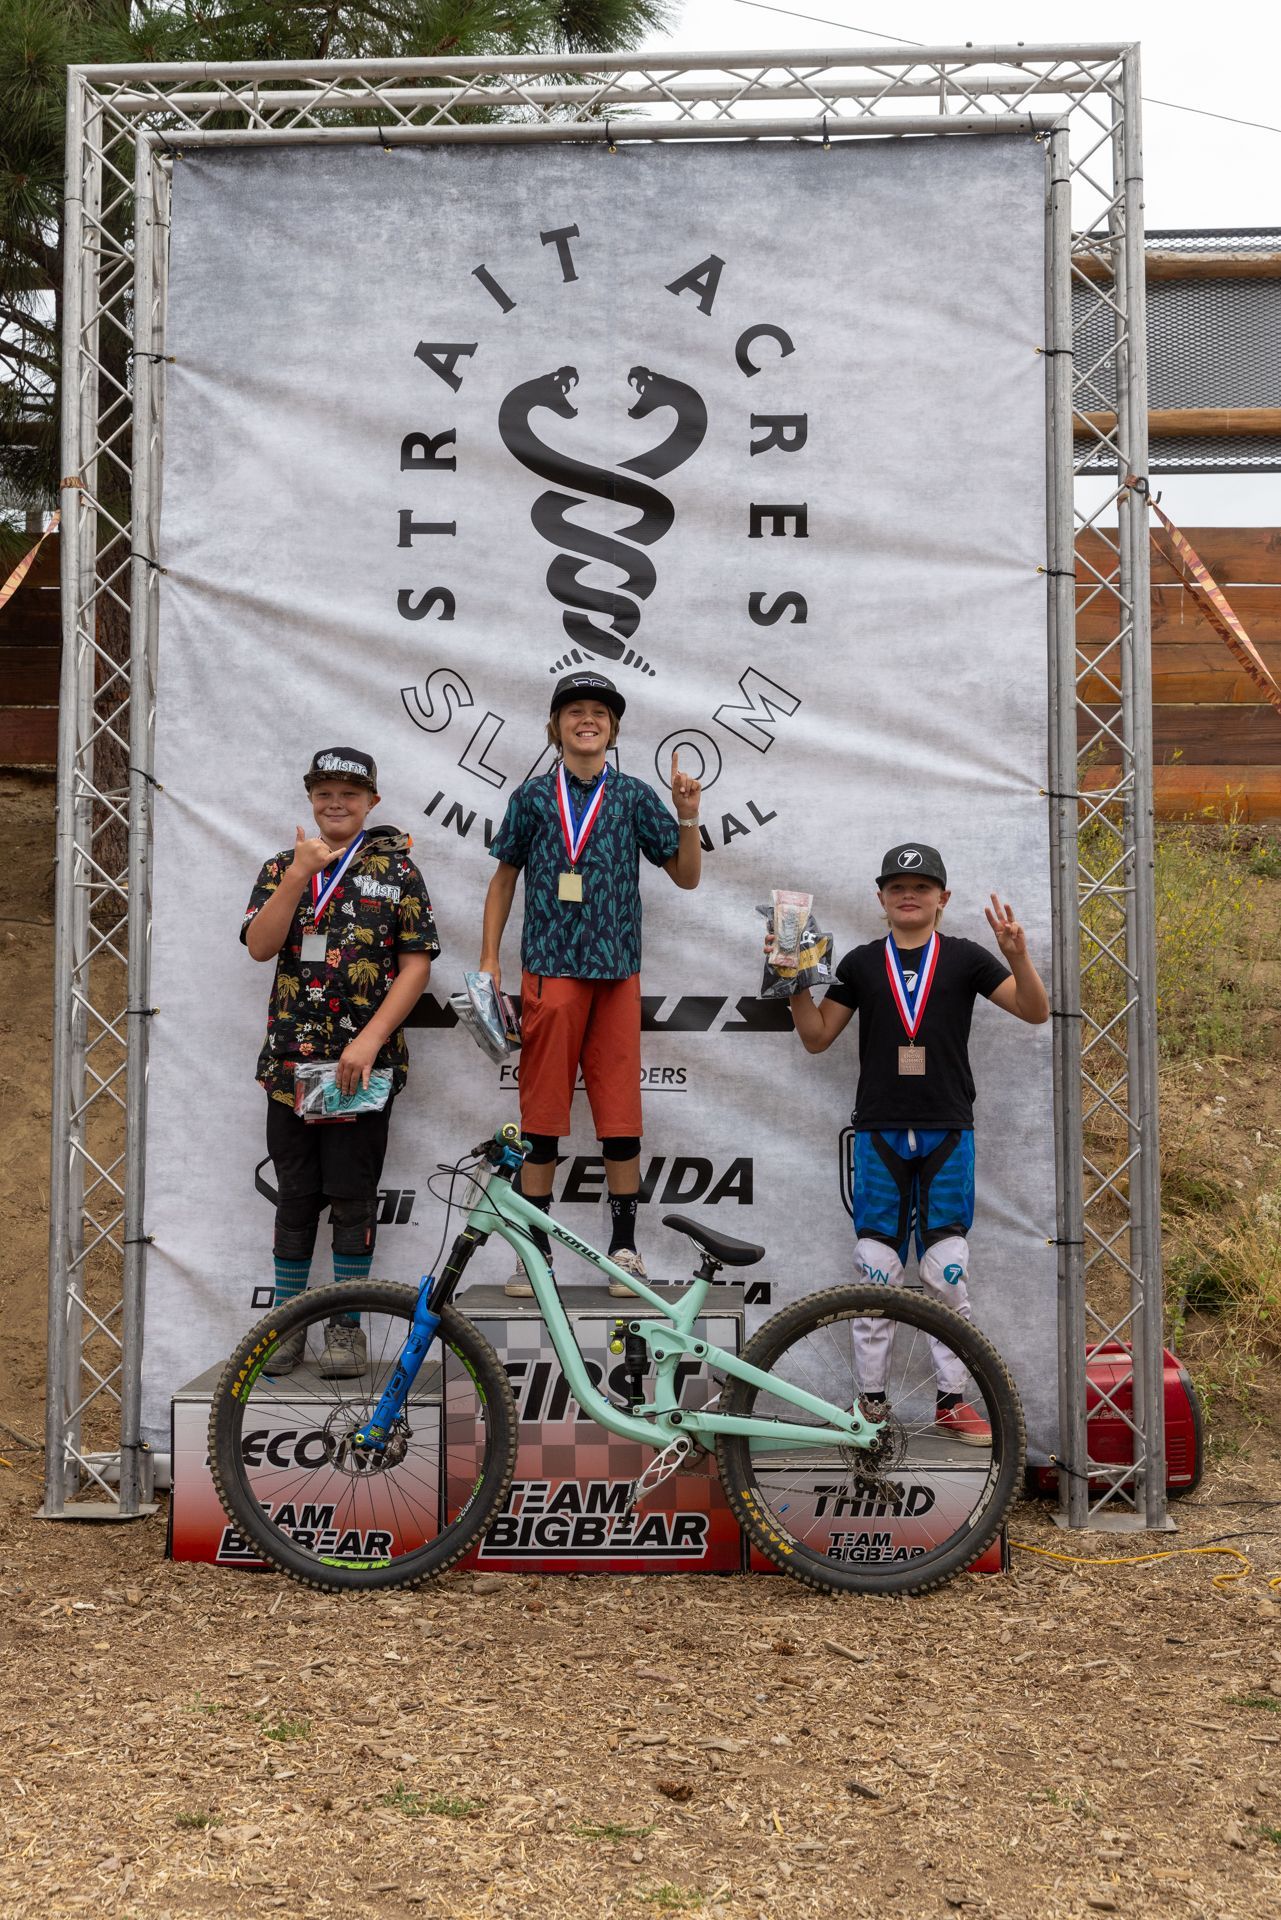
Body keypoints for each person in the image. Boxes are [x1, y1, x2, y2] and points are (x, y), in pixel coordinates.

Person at [782, 843, 1049, 1443]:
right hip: (878, 1129)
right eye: (898, 885)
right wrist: (793, 981)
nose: (910, 894)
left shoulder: (967, 959)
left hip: (947, 1129)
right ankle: (871, 1405)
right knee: (876, 1271)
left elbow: (1035, 1012)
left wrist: (1019, 957)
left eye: (922, 886)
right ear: (880, 898)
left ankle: (951, 1402)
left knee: (947, 1272)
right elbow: (817, 1038)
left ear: (942, 899)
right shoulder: (858, 962)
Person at [480, 672, 702, 1296]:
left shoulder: (632, 796)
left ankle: (625, 1250)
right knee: (543, 1111)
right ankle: (535, 1252)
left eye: (599, 712)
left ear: (613, 727)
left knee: (619, 1111)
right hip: (550, 969)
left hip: (616, 973)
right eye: (574, 710)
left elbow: (685, 877)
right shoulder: (530, 798)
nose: (587, 719)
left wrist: (688, 817)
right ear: (555, 727)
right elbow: (503, 881)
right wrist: (491, 960)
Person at [241, 747, 439, 1376]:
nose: (337, 802)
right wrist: (300, 875)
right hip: (292, 1068)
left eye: (350, 793)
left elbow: (417, 966)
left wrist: (371, 1038)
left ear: (371, 801)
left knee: (353, 1197)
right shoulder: (282, 866)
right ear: (309, 798)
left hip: (361, 1068)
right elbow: (259, 946)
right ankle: (289, 1325)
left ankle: (346, 1328)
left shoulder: (398, 872)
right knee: (296, 1197)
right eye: (325, 791)